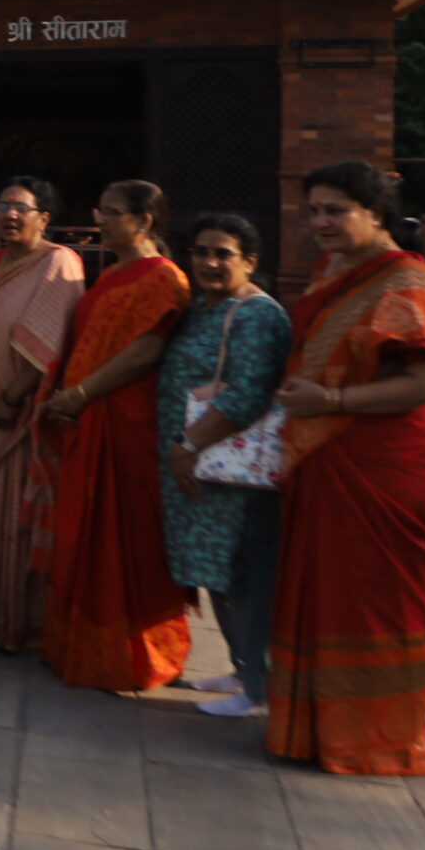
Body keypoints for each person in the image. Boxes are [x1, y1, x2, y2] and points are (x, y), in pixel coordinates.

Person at [267, 161, 425, 777]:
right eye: (313, 210)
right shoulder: (334, 271)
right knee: (322, 588)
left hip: (390, 463)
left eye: (335, 210)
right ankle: (312, 730)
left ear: (376, 214)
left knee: (380, 600)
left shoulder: (410, 285)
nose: (320, 223)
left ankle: (376, 740)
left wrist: (330, 402)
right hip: (329, 455)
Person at [35, 180, 194, 692]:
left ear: (144, 221)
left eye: (110, 212)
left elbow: (146, 351)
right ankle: (80, 648)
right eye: (98, 210)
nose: (98, 219)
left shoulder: (164, 277)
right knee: (85, 531)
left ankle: (134, 655)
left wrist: (80, 394)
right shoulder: (113, 273)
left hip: (127, 422)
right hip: (88, 417)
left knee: (127, 536)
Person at [158, 213, 292, 718]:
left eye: (223, 254)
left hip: (230, 469)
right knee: (216, 572)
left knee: (243, 575)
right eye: (201, 252)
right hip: (199, 468)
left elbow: (251, 392)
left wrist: (187, 445)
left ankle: (259, 686)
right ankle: (241, 667)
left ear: (250, 261)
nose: (210, 263)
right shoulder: (200, 308)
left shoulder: (258, 315)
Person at [0, 177, 86, 650]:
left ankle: (21, 620)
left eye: (21, 208)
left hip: (22, 413)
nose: (9, 214)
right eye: (2, 205)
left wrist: (13, 395)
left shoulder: (59, 262)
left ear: (43, 219)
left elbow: (49, 338)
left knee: (19, 512)